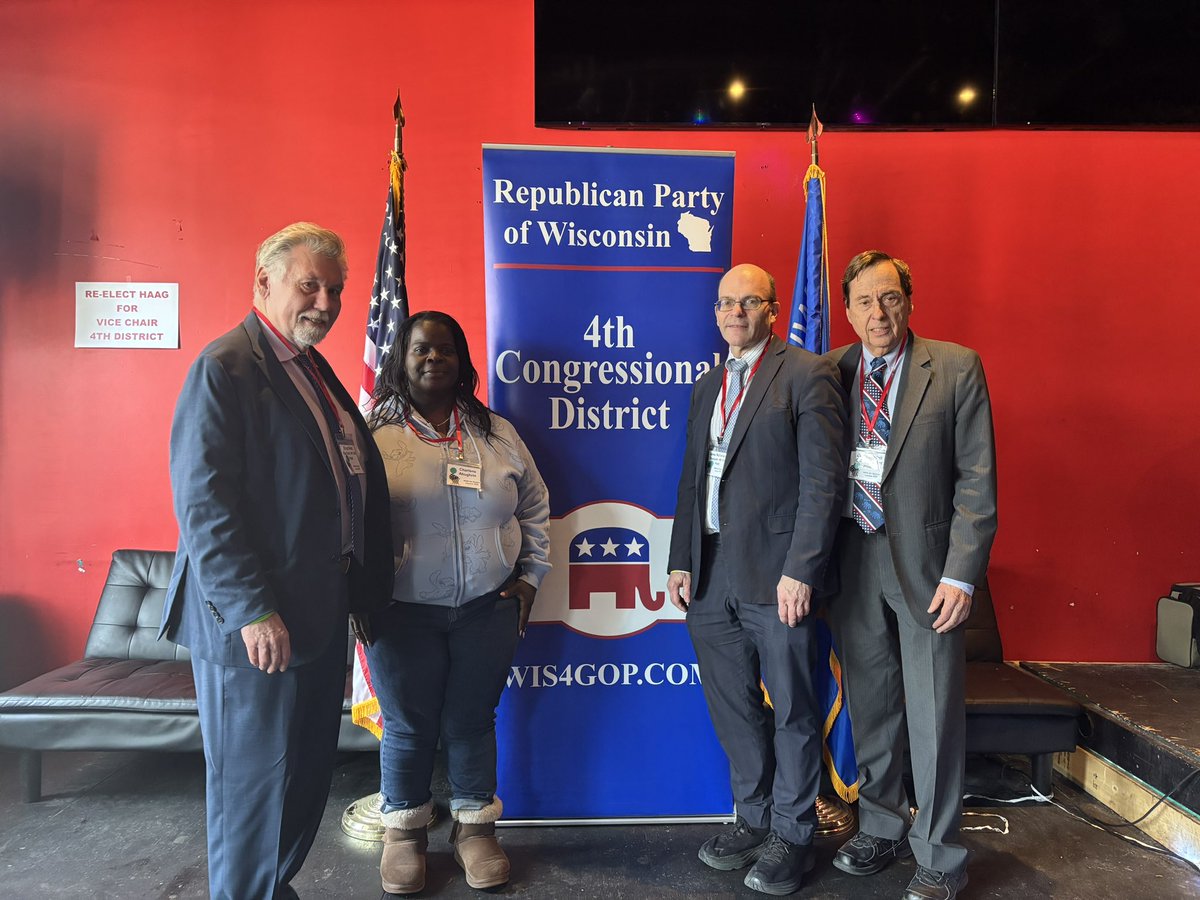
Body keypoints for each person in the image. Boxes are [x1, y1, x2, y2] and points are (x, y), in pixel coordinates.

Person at [160, 222, 393, 900]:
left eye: (336, 290)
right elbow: (205, 504)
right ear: (264, 283)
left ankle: (271, 887)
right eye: (309, 285)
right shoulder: (226, 366)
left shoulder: (313, 371)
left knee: (302, 781)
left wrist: (363, 598)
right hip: (258, 627)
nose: (325, 301)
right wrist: (251, 609)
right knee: (252, 791)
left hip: (321, 618)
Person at [666, 264, 849, 895]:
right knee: (734, 708)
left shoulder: (806, 373)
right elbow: (693, 477)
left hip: (779, 580)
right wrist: (679, 558)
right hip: (711, 573)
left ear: (773, 309)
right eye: (724, 303)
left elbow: (825, 484)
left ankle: (793, 835)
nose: (734, 312)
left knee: (795, 709)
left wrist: (803, 569)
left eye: (748, 302)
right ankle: (754, 815)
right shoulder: (707, 384)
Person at [826, 251, 997, 900]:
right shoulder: (832, 372)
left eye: (890, 298)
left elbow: (977, 482)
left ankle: (941, 858)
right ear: (846, 311)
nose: (878, 313)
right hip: (851, 559)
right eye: (865, 301)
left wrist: (961, 574)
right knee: (871, 710)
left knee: (932, 715)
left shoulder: (955, 367)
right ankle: (880, 825)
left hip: (928, 570)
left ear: (909, 302)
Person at [363, 310, 551, 895]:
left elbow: (535, 505)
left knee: (472, 721)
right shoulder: (376, 435)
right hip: (399, 612)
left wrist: (528, 580)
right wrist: (358, 598)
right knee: (408, 725)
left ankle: (474, 831)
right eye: (420, 349)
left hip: (486, 608)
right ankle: (404, 834)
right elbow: (346, 520)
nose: (432, 358)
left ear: (462, 361)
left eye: (444, 349)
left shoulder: (496, 433)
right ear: (402, 359)